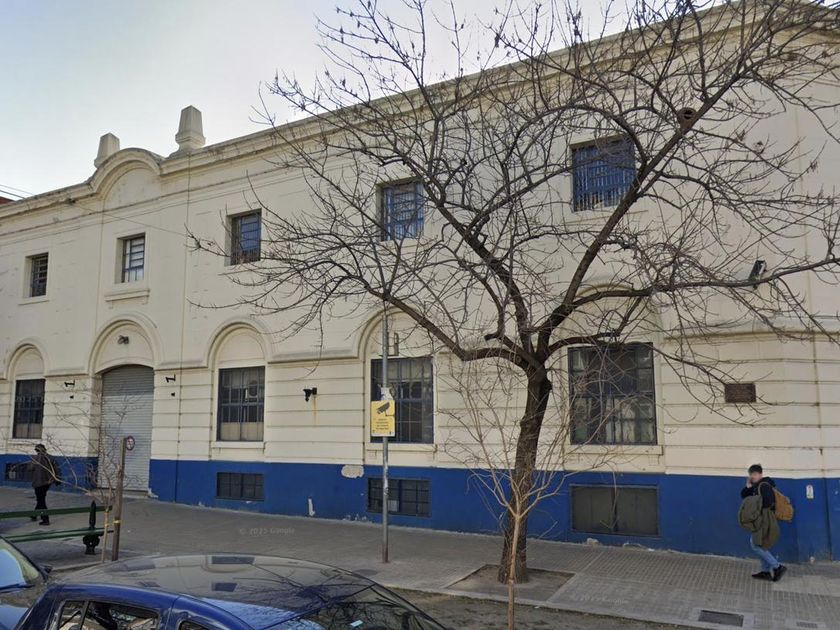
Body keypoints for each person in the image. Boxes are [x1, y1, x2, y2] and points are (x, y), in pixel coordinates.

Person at [740, 464, 786, 581]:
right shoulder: (756, 486)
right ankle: (765, 572)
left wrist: (756, 507)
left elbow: (768, 502)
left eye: (755, 474)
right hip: (761, 518)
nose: (753, 476)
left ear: (760, 474)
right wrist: (748, 487)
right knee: (761, 544)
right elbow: (744, 495)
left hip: (765, 519)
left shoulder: (764, 486)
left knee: (755, 544)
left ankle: (777, 567)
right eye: (751, 474)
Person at [27, 444, 60, 526]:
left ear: (37, 450)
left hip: (38, 483)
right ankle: (34, 515)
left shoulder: (35, 458)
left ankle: (45, 519)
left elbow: (30, 468)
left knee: (41, 501)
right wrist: (57, 479)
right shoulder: (50, 457)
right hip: (47, 482)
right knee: (40, 499)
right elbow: (56, 469)